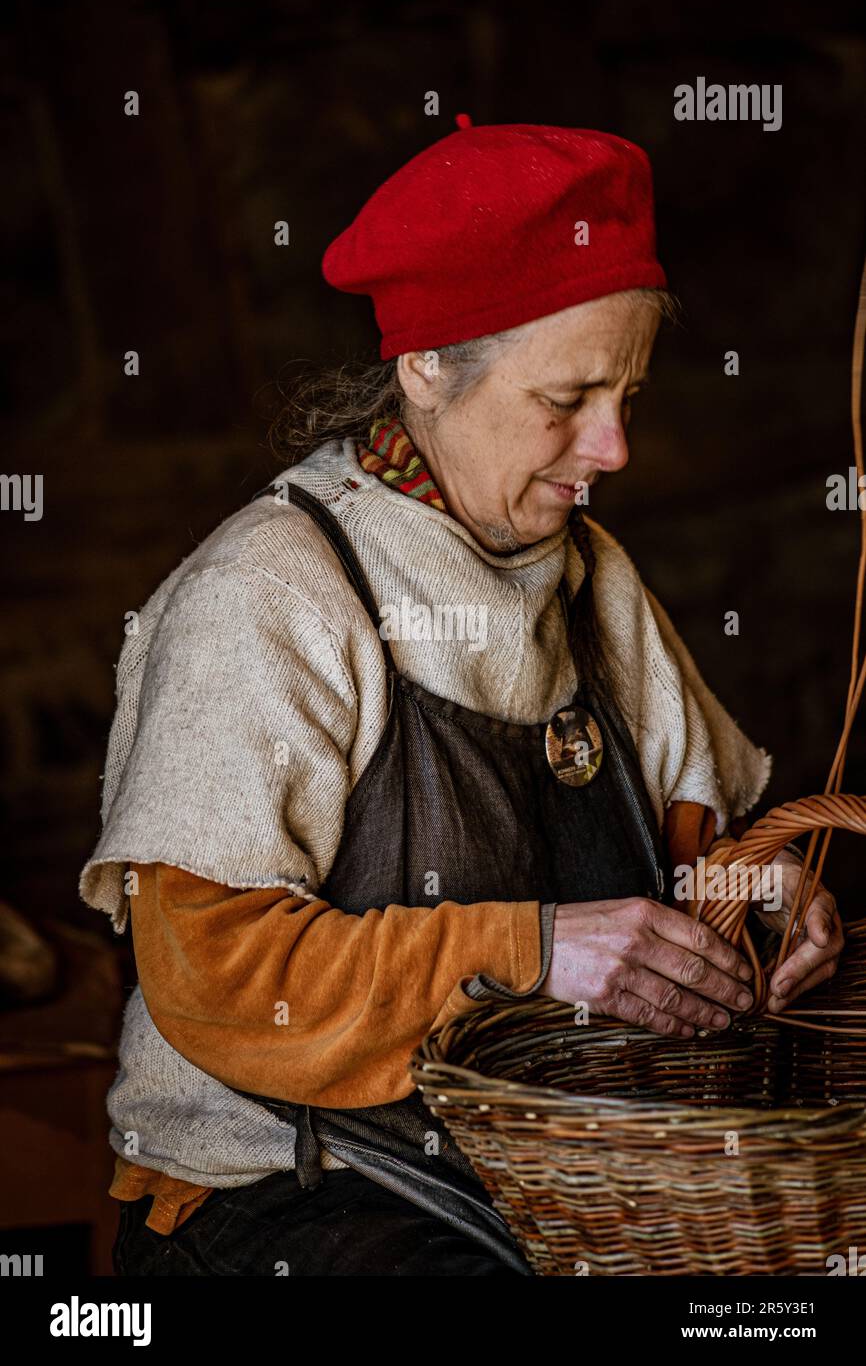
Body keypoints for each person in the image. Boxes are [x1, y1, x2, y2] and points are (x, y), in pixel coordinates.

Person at [80, 116, 843, 1276]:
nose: (614, 446)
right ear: (427, 368)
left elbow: (688, 847)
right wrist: (532, 950)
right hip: (287, 1201)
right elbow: (216, 979)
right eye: (568, 397)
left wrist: (759, 891)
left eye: (627, 394)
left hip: (556, 1172)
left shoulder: (591, 578)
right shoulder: (272, 594)